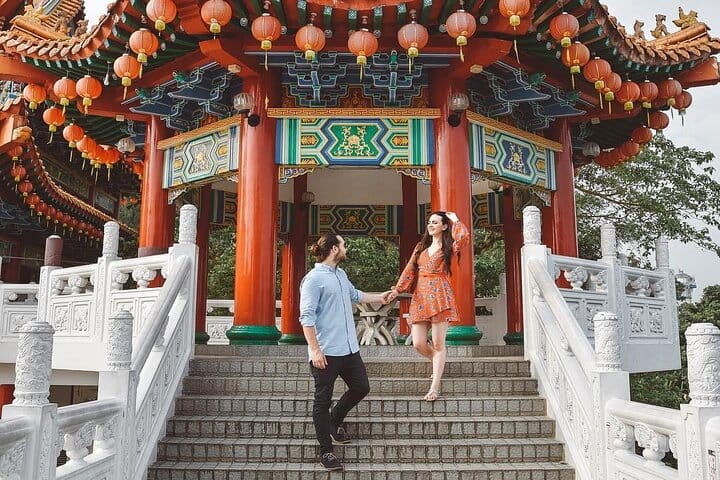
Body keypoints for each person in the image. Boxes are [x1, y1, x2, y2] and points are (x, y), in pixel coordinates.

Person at [299, 233, 393, 471]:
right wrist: (314, 350)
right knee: (322, 400)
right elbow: (306, 317)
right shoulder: (313, 280)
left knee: (361, 387)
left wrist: (382, 297)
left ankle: (334, 421)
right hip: (326, 352)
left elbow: (356, 295)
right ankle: (326, 451)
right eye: (343, 245)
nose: (346, 248)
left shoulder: (340, 274)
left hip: (349, 349)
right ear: (333, 249)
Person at [387, 211, 469, 402]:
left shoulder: (449, 246)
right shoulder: (421, 247)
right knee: (418, 343)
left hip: (440, 295)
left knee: (439, 344)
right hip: (421, 296)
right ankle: (438, 363)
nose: (431, 225)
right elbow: (409, 269)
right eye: (429, 222)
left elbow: (464, 238)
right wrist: (397, 290)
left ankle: (434, 387)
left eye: (435, 222)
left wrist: (455, 219)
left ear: (444, 226)